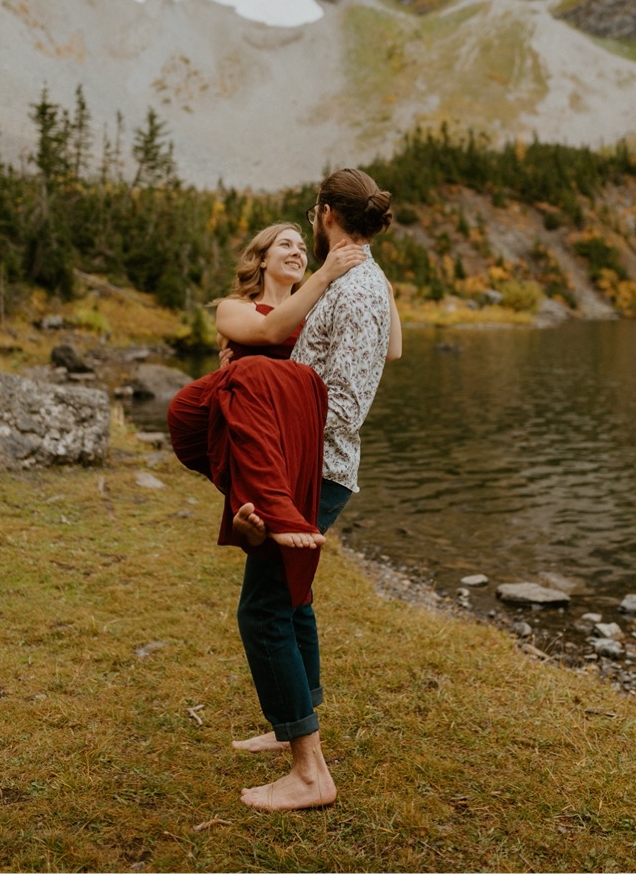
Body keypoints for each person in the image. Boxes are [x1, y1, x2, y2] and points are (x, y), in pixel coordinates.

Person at [167, 170, 398, 812]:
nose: (297, 249)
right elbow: (283, 341)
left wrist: (355, 269)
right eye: (282, 244)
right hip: (309, 460)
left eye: (306, 234)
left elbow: (354, 387)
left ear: (325, 214)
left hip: (310, 464)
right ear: (261, 260)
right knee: (292, 599)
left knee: (263, 609)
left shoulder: (344, 288)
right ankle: (293, 720)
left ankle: (309, 772)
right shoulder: (323, 291)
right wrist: (361, 267)